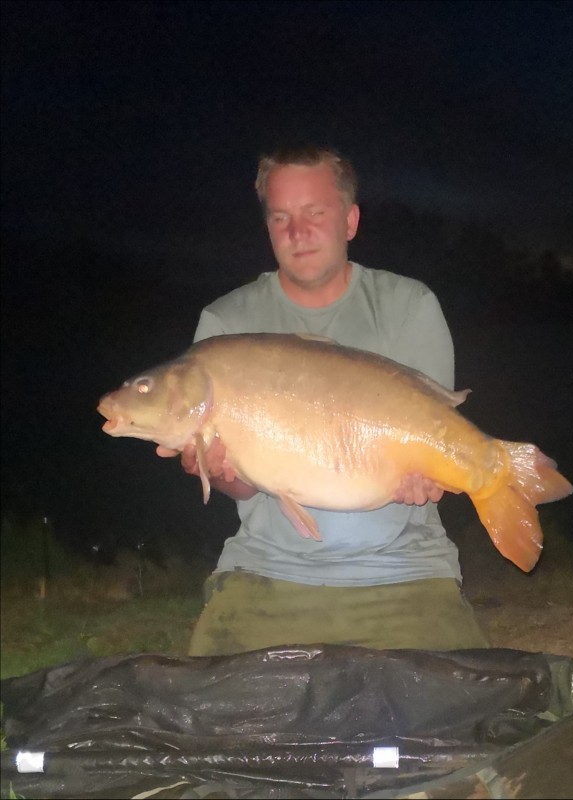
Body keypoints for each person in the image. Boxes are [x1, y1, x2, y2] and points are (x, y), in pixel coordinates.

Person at [159, 146, 490, 655]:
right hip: (267, 570)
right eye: (281, 217)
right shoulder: (225, 326)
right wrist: (213, 467)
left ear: (350, 221)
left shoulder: (408, 306)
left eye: (314, 213)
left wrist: (432, 476)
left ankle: (497, 477)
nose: (297, 232)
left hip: (404, 568)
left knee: (454, 700)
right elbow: (243, 488)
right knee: (220, 701)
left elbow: (433, 433)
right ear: (268, 229)